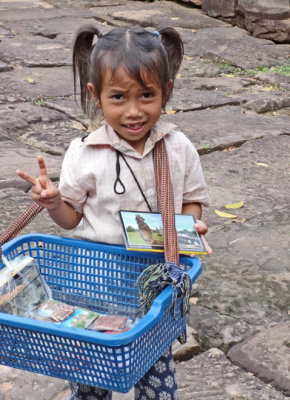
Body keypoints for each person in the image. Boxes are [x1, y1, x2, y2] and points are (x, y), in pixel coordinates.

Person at [16, 24, 211, 400]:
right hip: (91, 284)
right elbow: (72, 218)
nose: (134, 111)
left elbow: (192, 198)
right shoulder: (84, 153)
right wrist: (55, 203)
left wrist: (192, 225)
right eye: (119, 97)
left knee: (157, 378)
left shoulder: (178, 147)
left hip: (153, 285)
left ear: (166, 91)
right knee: (90, 381)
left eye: (147, 95)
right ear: (96, 95)